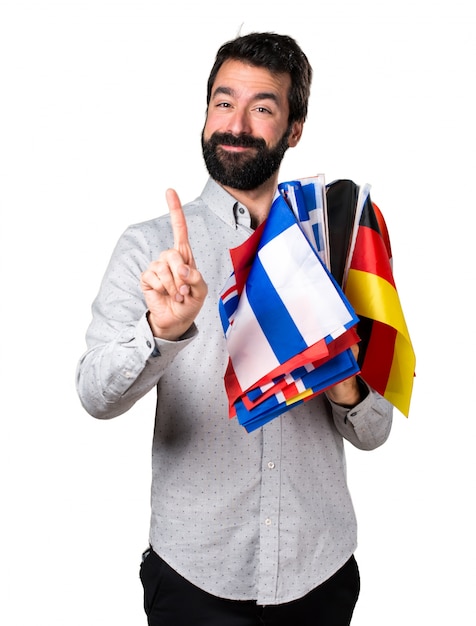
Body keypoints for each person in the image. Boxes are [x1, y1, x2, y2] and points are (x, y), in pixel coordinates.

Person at [76, 32, 393, 626]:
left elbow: (375, 432)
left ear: (293, 128)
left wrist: (339, 372)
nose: (237, 123)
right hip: (195, 577)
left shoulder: (339, 244)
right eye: (224, 102)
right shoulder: (151, 249)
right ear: (205, 112)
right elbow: (95, 395)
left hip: (319, 573)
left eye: (263, 107)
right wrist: (161, 330)